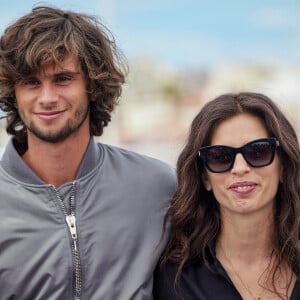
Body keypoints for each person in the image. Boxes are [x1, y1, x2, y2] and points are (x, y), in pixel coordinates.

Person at [0, 6, 176, 300]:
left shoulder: (158, 186)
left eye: (63, 79)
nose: (47, 97)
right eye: (31, 82)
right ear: (13, 94)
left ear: (92, 86)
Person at [153, 92, 300, 300]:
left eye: (258, 152)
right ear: (205, 177)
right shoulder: (175, 278)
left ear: (283, 166)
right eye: (220, 157)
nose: (240, 168)